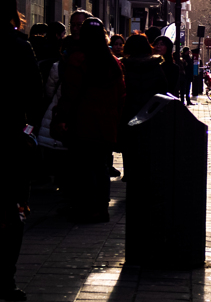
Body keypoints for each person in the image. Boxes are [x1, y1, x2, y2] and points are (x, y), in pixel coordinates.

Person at [52, 17, 125, 222]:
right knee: (101, 166)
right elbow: (121, 95)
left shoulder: (78, 60)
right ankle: (101, 208)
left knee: (83, 166)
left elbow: (70, 93)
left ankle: (84, 207)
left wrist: (61, 117)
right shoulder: (113, 63)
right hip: (106, 125)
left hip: (83, 122)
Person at [1, 0, 43, 301]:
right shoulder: (19, 46)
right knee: (11, 208)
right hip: (8, 139)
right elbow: (35, 95)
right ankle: (5, 279)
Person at [120, 34, 169, 182]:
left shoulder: (123, 66)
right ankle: (146, 173)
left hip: (128, 111)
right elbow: (163, 89)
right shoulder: (155, 66)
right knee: (147, 144)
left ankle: (128, 173)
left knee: (129, 146)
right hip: (150, 112)